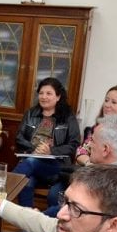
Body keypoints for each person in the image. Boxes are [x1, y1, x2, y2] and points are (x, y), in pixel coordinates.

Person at [12, 77, 81, 207]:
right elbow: (19, 138)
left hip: (56, 166)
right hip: (32, 163)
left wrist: (51, 151)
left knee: (31, 162)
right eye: (41, 93)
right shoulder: (31, 113)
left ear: (58, 96)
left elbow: (74, 144)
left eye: (49, 93)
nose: (44, 97)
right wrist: (35, 148)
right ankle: (28, 220)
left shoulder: (68, 117)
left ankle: (8, 185)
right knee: (27, 182)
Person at [76, 85, 117, 166]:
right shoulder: (98, 127)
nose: (107, 105)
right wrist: (88, 163)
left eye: (114, 102)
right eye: (106, 100)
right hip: (94, 171)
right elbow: (81, 151)